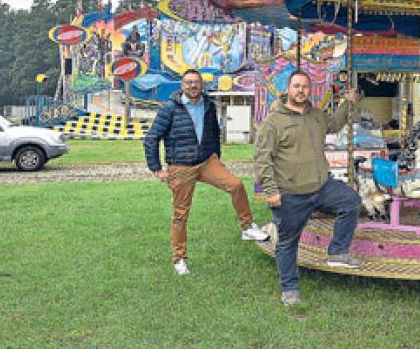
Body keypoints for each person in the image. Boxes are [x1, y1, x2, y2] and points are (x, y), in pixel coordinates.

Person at [144, 69, 269, 277]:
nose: (193, 86)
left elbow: (214, 132)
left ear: (201, 85)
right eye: (188, 82)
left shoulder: (209, 105)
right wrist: (156, 168)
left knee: (236, 185)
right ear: (182, 85)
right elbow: (151, 138)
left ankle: (247, 227)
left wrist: (216, 156)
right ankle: (179, 259)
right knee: (180, 214)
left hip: (206, 161)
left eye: (196, 82)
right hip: (181, 166)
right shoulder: (170, 109)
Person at [255, 70, 363, 306]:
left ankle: (338, 251)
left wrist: (348, 103)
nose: (300, 90)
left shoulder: (316, 115)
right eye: (296, 86)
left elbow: (334, 124)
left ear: (309, 89)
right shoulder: (274, 122)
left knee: (351, 201)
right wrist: (271, 190)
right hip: (291, 193)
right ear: (288, 89)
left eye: (304, 86)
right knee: (287, 242)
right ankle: (289, 289)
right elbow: (262, 159)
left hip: (321, 186)